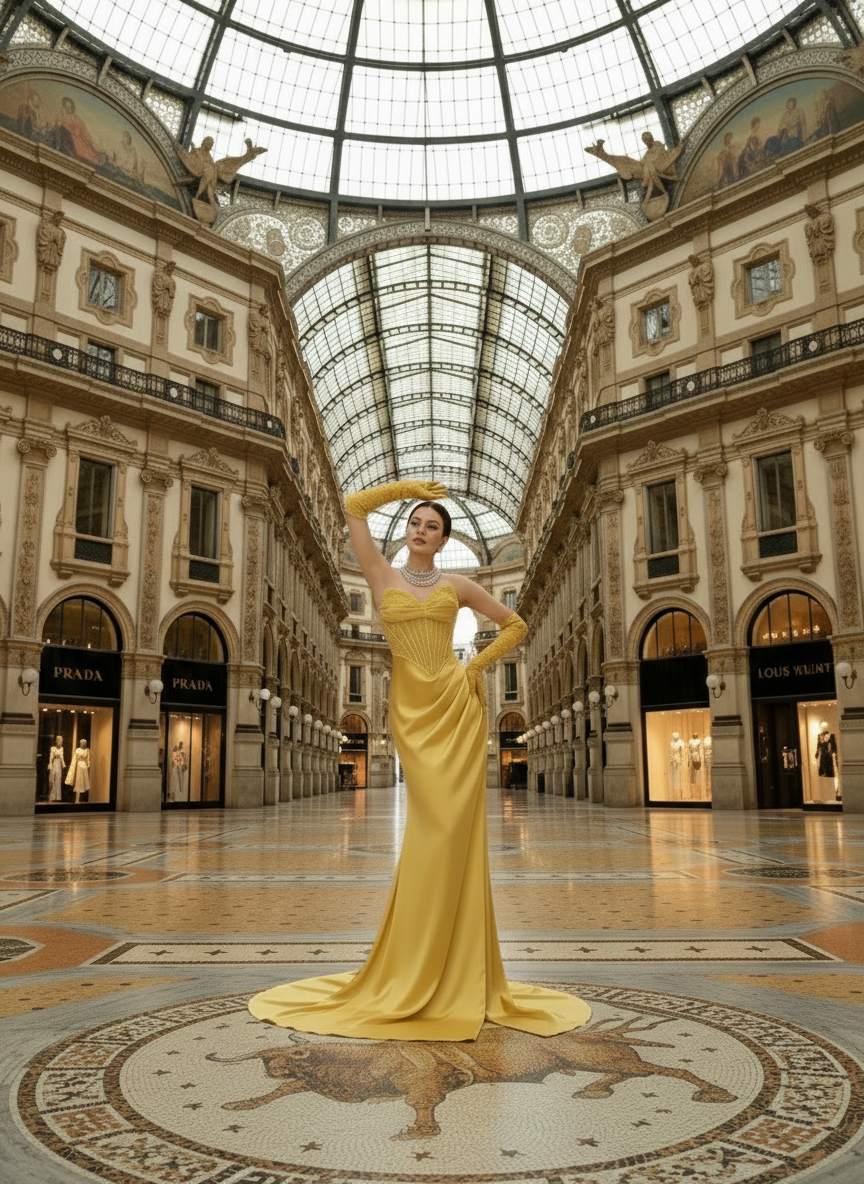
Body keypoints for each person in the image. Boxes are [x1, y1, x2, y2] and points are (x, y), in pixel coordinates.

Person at [249, 479, 591, 1041]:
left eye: (432, 525)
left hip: (455, 703)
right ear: (407, 531)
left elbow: (517, 626)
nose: (421, 530)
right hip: (411, 711)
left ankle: (456, 966)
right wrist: (409, 489)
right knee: (430, 829)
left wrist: (474, 669)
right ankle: (417, 961)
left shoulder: (457, 585)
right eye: (415, 522)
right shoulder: (380, 575)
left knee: (453, 832)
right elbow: (354, 507)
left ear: (443, 538)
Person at [48, 736, 65, 802]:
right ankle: (51, 796)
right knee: (52, 779)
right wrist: (50, 764)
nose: (60, 742)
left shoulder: (61, 748)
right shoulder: (53, 748)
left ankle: (57, 796)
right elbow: (51, 757)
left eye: (61, 741)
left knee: (58, 779)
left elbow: (62, 757)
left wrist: (63, 764)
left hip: (59, 764)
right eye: (58, 740)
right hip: (54, 763)